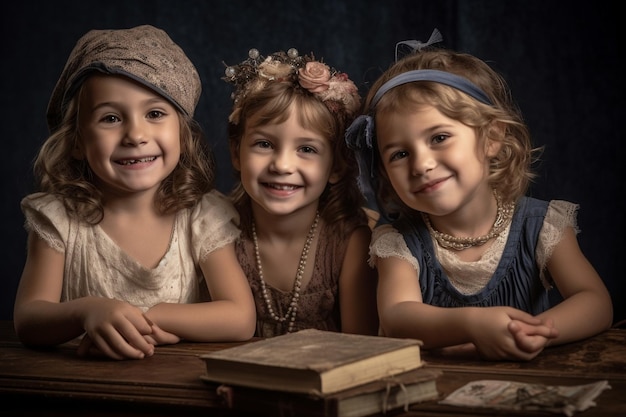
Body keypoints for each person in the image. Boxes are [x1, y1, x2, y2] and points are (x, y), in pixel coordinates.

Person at [345, 29, 613, 360]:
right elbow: (397, 316)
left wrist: (532, 332)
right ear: (384, 172)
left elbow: (595, 301)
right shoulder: (398, 243)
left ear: (492, 137)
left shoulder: (541, 224)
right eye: (399, 154)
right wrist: (472, 323)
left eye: (439, 137)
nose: (422, 164)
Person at [13, 25, 256, 360]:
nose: (135, 135)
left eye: (154, 114)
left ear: (183, 136)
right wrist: (88, 311)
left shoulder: (201, 217)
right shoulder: (60, 219)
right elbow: (28, 318)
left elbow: (241, 318)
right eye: (111, 118)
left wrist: (150, 319)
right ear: (78, 142)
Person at [222, 48, 379, 337]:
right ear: (236, 152)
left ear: (336, 165)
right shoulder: (218, 231)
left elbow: (361, 348)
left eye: (306, 149)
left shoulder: (350, 244)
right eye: (264, 144)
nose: (282, 165)